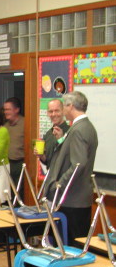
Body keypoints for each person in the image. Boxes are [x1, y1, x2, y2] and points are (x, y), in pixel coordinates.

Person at [44, 91, 98, 246]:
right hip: (77, 197)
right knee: (72, 244)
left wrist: (59, 184)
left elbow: (77, 164)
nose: (63, 110)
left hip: (72, 199)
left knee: (70, 247)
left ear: (70, 106)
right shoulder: (86, 126)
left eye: (64, 106)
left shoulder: (79, 129)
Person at [34, 99, 70, 169]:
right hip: (51, 176)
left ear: (63, 111)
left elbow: (69, 158)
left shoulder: (70, 131)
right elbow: (48, 161)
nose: (53, 114)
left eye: (57, 111)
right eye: (51, 111)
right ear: (47, 113)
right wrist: (41, 155)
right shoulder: (48, 134)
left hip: (64, 177)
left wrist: (61, 140)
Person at [3, 97, 25, 200]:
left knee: (18, 193)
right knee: (7, 193)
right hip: (7, 163)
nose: (6, 112)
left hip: (20, 164)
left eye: (8, 109)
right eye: (5, 109)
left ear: (16, 110)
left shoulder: (25, 124)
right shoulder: (5, 127)